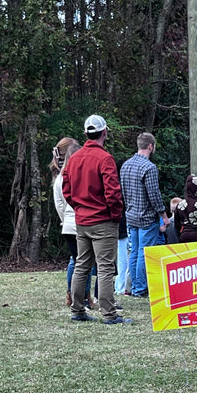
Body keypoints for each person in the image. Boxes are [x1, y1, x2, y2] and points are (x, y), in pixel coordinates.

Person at [62, 114, 130, 324]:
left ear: (85, 134)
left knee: (82, 264)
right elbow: (113, 192)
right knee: (105, 267)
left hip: (82, 220)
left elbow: (67, 189)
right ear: (105, 132)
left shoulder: (74, 158)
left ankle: (78, 309)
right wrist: (115, 215)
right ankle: (109, 313)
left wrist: (80, 208)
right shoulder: (105, 159)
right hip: (103, 221)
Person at [121, 132, 168, 297]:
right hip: (147, 217)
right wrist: (163, 215)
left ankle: (134, 286)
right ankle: (140, 288)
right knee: (144, 251)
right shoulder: (149, 168)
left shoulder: (125, 165)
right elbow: (154, 195)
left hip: (130, 214)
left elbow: (124, 192)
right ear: (150, 146)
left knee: (133, 251)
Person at [51, 137, 95, 307]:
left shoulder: (61, 177)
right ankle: (82, 296)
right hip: (77, 224)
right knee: (84, 263)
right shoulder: (69, 177)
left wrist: (66, 220)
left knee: (76, 261)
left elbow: (59, 205)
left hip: (69, 224)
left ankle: (76, 295)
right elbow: (61, 204)